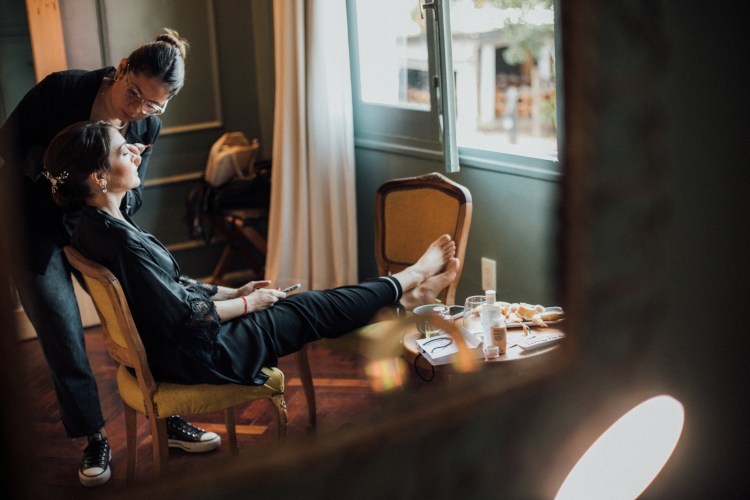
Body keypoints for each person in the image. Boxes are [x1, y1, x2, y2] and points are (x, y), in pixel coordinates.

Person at [42, 118, 459, 396]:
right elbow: (185, 317)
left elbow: (170, 288)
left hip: (173, 347)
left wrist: (233, 292)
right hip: (200, 354)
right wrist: (250, 303)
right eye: (123, 151)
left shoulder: (93, 226)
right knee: (310, 307)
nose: (136, 153)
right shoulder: (121, 241)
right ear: (99, 176)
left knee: (310, 307)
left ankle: (405, 297)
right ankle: (411, 278)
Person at [0, 30, 219, 487]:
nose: (138, 110)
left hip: (94, 229)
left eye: (153, 105)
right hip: (31, 225)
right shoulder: (63, 89)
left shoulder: (146, 127)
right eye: (134, 94)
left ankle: (166, 415)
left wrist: (129, 171)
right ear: (121, 68)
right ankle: (93, 438)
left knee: (141, 316)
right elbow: (9, 144)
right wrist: (62, 168)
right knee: (61, 331)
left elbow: (130, 201)